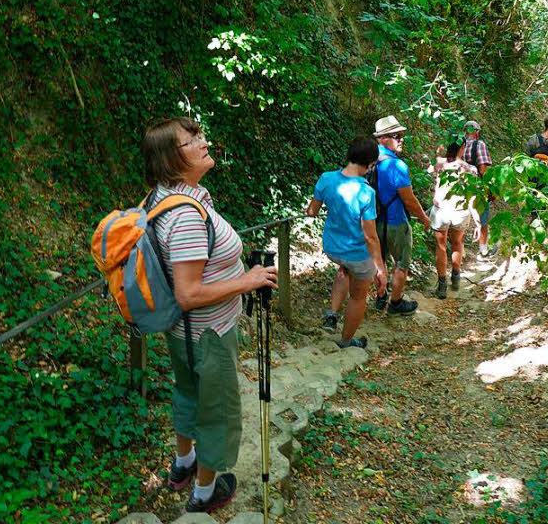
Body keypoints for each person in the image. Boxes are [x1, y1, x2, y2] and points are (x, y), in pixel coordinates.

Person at [144, 117, 277, 514]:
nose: (203, 143)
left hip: (181, 333)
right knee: (217, 412)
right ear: (172, 158)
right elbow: (188, 293)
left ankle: (183, 463)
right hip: (208, 334)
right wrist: (248, 280)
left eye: (200, 135)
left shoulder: (163, 196)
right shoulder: (185, 216)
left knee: (187, 394)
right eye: (192, 140)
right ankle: (204, 493)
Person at [306, 137, 387, 349]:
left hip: (333, 248)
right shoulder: (366, 193)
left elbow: (311, 211)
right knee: (359, 296)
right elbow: (370, 236)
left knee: (344, 270)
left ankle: (331, 315)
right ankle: (346, 341)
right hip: (356, 253)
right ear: (370, 164)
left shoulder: (326, 179)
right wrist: (380, 267)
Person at [373, 115, 431, 316]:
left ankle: (380, 297)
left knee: (379, 261)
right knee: (401, 263)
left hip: (373, 221)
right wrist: (424, 218)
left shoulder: (369, 160)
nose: (401, 139)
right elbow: (409, 200)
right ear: (382, 139)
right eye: (396, 135)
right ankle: (396, 303)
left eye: (401, 135)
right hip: (396, 221)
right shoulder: (397, 166)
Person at [429, 141, 481, 297]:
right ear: (462, 148)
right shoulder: (470, 169)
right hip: (460, 211)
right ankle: (456, 276)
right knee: (458, 243)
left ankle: (442, 285)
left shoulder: (439, 165)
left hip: (441, 211)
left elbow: (430, 171)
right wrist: (477, 222)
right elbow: (472, 196)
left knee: (441, 246)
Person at [461, 121, 494, 259]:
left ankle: (460, 251)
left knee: (461, 218)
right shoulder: (479, 145)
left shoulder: (459, 145)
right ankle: (483, 250)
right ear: (477, 132)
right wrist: (489, 188)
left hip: (460, 186)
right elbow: (483, 169)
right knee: (482, 218)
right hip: (477, 186)